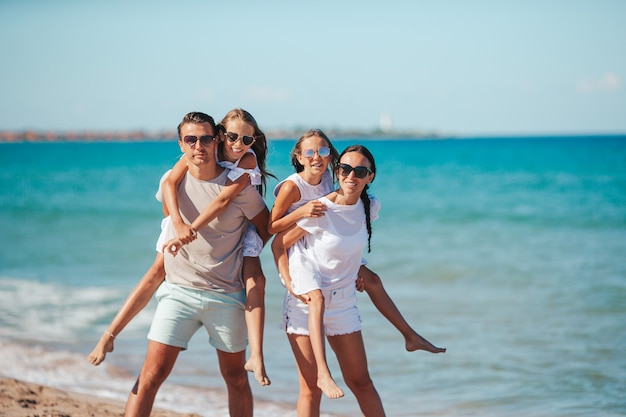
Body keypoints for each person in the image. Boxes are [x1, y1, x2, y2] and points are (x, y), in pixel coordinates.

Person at [87, 109, 273, 387]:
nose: (238, 144)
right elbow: (171, 183)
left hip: (241, 231)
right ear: (222, 134)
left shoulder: (246, 161)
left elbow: (222, 203)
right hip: (181, 226)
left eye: (246, 139)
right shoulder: (198, 153)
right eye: (232, 136)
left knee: (255, 279)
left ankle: (257, 355)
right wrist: (177, 223)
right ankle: (110, 334)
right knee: (155, 273)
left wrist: (192, 230)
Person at [269, 130, 445, 355]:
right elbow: (273, 229)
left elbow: (342, 210)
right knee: (317, 299)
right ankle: (323, 372)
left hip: (324, 243)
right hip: (302, 249)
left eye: (323, 151)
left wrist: (349, 271)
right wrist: (286, 276)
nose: (317, 157)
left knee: (372, 280)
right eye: (310, 152)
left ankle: (410, 336)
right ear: (299, 157)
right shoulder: (294, 187)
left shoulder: (327, 178)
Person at [272, 144, 386, 416]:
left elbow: (347, 248)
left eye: (360, 171)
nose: (351, 175)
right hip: (305, 302)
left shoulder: (369, 206)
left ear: (370, 176)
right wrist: (288, 281)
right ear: (337, 171)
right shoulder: (321, 208)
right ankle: (324, 373)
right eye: (345, 169)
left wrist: (357, 270)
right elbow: (280, 243)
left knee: (362, 382)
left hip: (343, 303)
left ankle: (411, 336)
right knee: (310, 388)